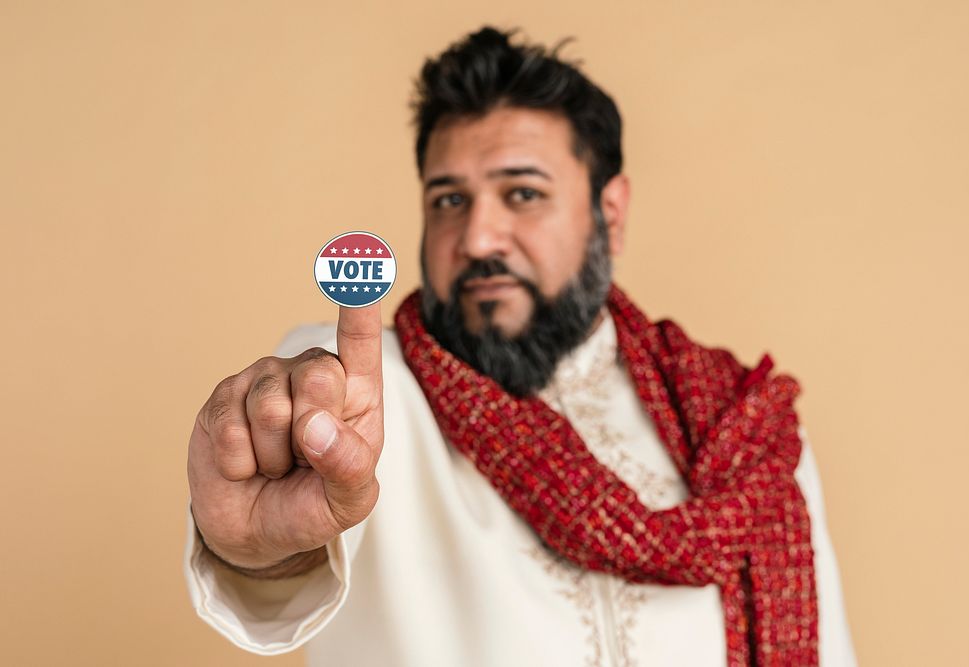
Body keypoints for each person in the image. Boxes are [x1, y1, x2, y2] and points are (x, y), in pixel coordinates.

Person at [184, 25, 857, 666]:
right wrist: (262, 551)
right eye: (449, 200)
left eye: (522, 193)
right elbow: (292, 550)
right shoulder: (360, 394)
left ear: (609, 215)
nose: (478, 238)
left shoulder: (744, 429)